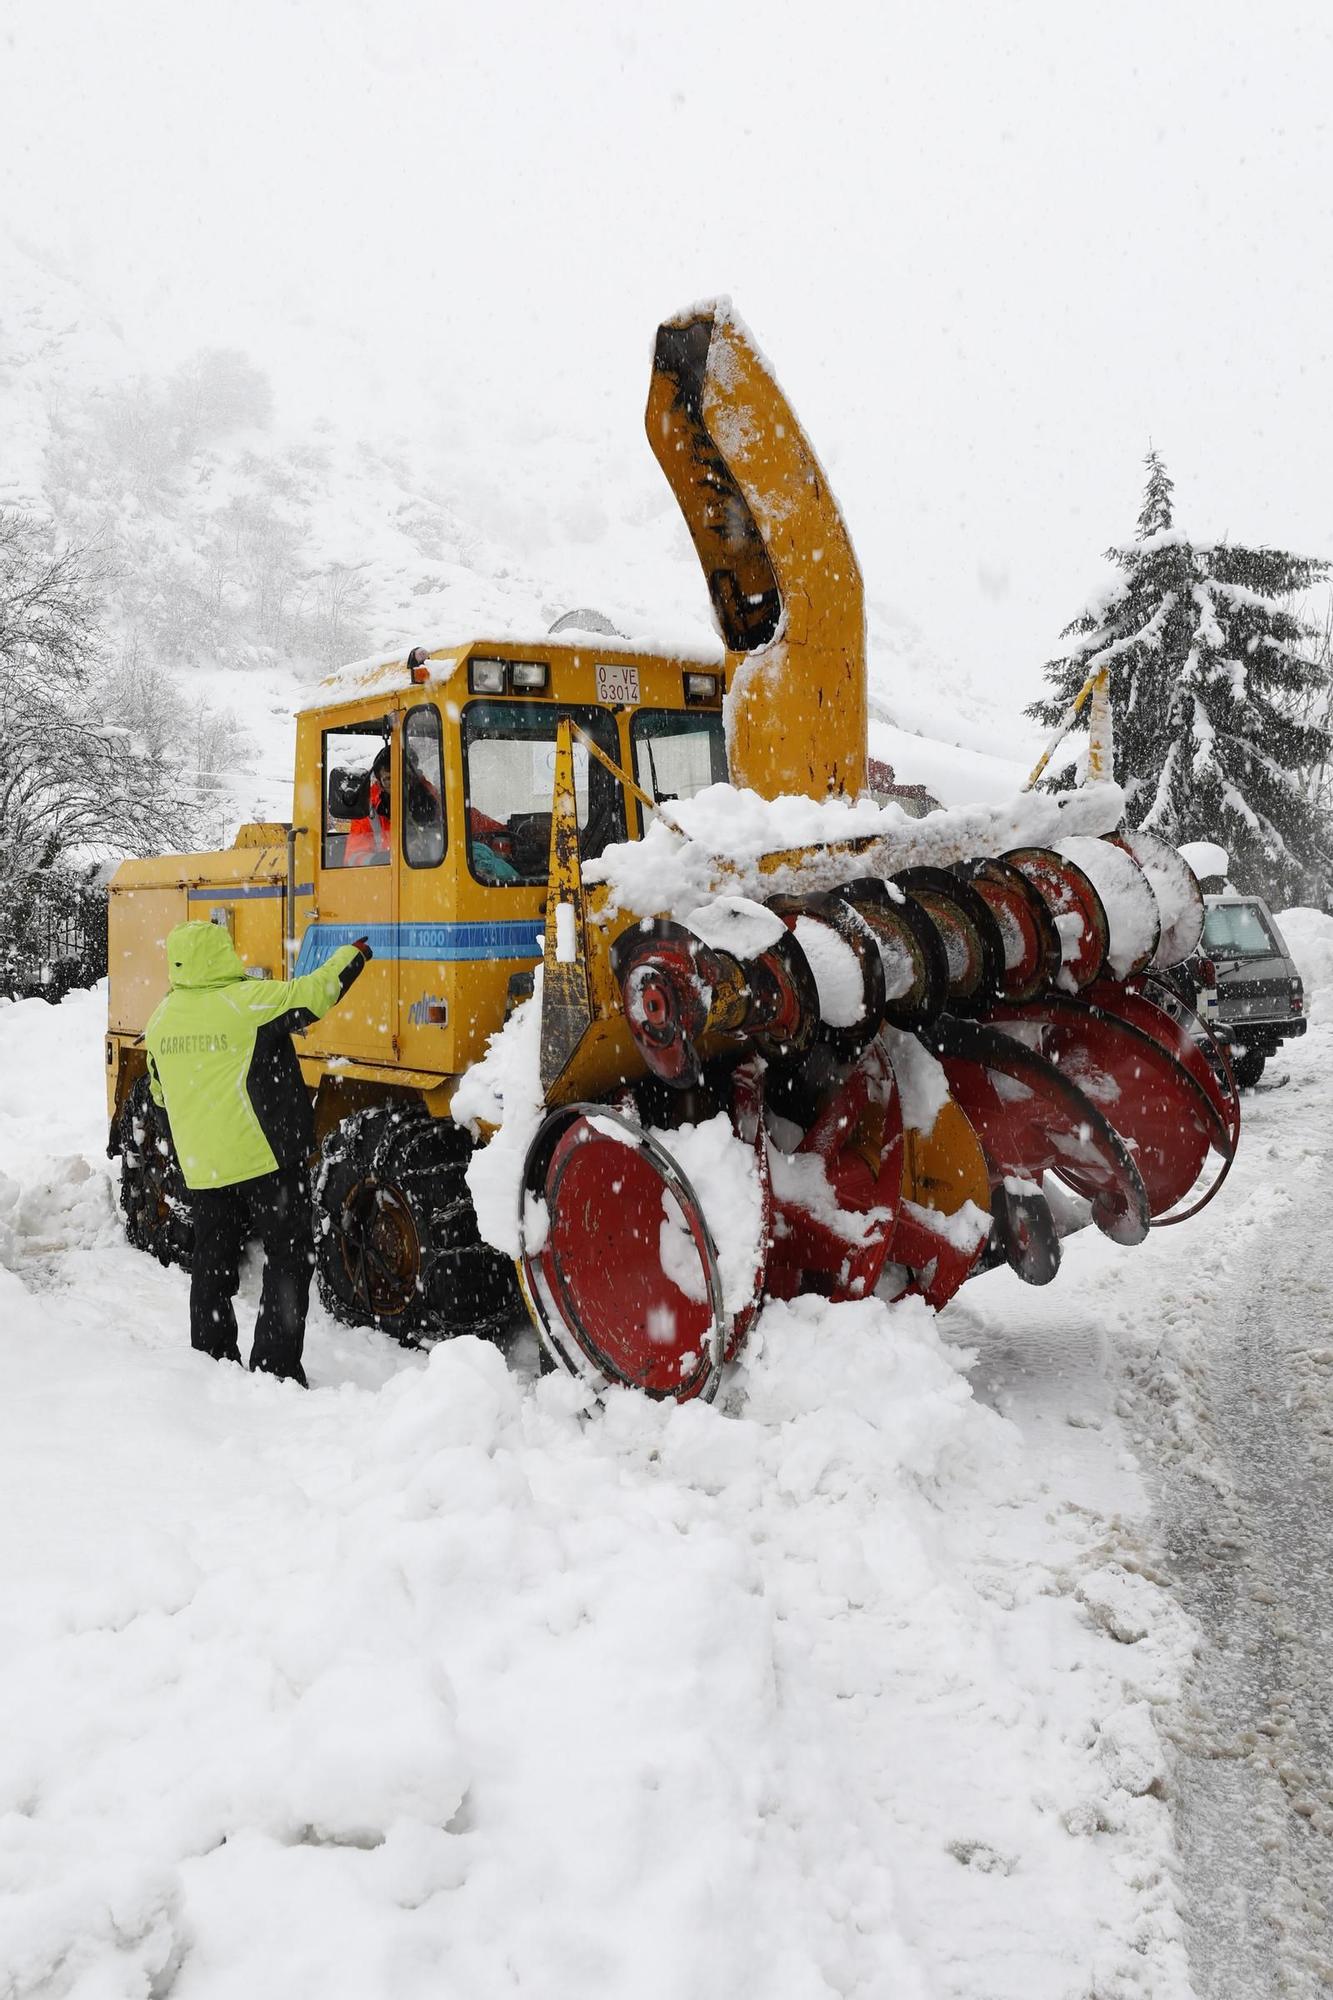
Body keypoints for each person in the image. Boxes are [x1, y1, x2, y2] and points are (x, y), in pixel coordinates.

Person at [145, 920, 370, 1385]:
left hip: (205, 1168)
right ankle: (275, 1366)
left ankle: (210, 1357)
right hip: (264, 1160)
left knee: (212, 1261)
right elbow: (313, 994)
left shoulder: (162, 1018)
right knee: (287, 1256)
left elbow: (159, 1094)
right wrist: (355, 956)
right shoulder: (244, 1002)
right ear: (222, 953)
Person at [344, 745, 392, 865]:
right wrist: (381, 860)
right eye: (388, 779)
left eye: (402, 776)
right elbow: (353, 858)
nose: (396, 784)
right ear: (379, 782)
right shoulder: (367, 808)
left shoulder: (430, 800)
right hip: (382, 879)